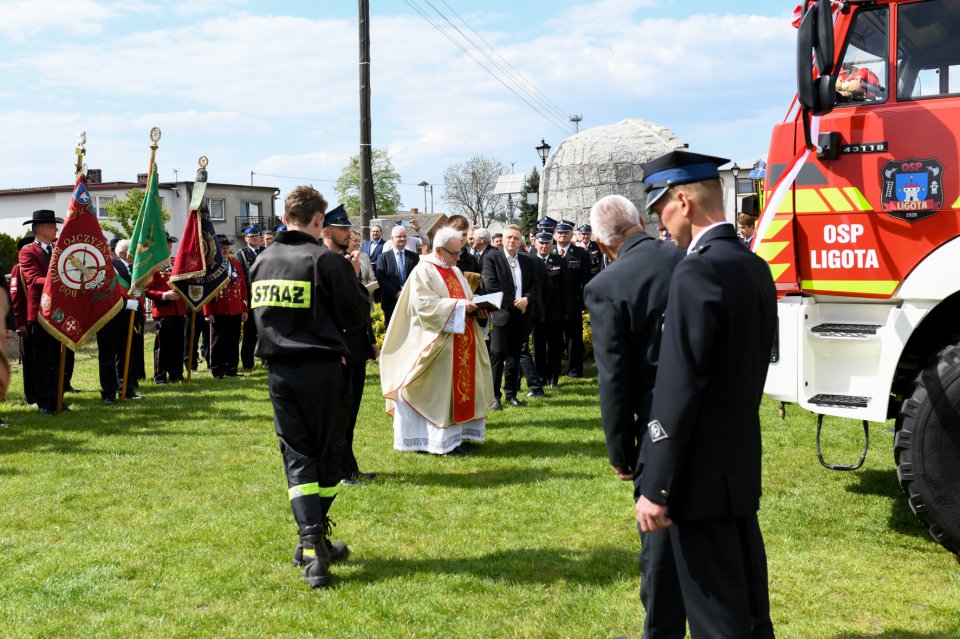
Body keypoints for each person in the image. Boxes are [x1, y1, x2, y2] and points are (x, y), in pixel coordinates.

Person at [636, 150, 777, 638]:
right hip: (737, 466)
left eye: (661, 210)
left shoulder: (696, 271)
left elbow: (679, 386)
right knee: (751, 613)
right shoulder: (753, 265)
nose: (661, 223)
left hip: (698, 479)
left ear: (682, 201)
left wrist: (656, 485)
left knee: (718, 620)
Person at [250, 185, 370, 589]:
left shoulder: (261, 261)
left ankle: (312, 540)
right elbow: (355, 316)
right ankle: (313, 543)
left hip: (279, 374)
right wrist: (353, 279)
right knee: (330, 455)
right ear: (319, 221)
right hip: (321, 370)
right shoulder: (325, 260)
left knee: (297, 455)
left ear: (286, 218)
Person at [583, 194, 686, 639]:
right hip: (706, 420)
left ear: (604, 246)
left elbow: (615, 380)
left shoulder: (608, 284)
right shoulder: (687, 258)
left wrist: (621, 452)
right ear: (641, 222)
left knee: (660, 545)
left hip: (655, 428)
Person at [381, 226, 493, 454]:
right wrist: (463, 307)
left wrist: (478, 308)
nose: (459, 257)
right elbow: (423, 306)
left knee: (456, 392)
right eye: (455, 253)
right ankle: (432, 440)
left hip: (459, 341)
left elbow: (466, 299)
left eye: (460, 252)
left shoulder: (456, 271)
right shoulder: (423, 271)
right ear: (439, 250)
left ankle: (456, 437)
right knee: (436, 394)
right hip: (434, 342)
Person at [322, 206, 378, 486]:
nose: (348, 233)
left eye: (348, 228)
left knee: (352, 410)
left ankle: (349, 465)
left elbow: (361, 308)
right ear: (326, 231)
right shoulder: (324, 262)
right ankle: (340, 471)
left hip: (355, 346)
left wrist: (370, 341)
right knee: (339, 413)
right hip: (337, 350)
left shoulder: (346, 261)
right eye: (342, 229)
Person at [482, 224, 540, 409]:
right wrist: (515, 303)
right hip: (502, 314)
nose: (512, 240)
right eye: (509, 237)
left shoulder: (527, 260)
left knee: (515, 355)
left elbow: (535, 284)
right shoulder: (492, 258)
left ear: (520, 240)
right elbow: (491, 286)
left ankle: (511, 394)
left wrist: (527, 299)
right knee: (497, 353)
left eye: (515, 238)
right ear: (502, 239)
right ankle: (494, 397)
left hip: (522, 315)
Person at [18, 210, 64, 414]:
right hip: (40, 313)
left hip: (59, 312)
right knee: (42, 360)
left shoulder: (57, 250)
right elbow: (33, 280)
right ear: (42, 228)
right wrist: (60, 280)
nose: (56, 228)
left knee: (56, 358)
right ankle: (44, 402)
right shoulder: (28, 251)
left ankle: (56, 399)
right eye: (53, 225)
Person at [203, 235, 248, 379]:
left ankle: (232, 369)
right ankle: (217, 370)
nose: (225, 250)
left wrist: (245, 309)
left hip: (235, 309)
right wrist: (207, 312)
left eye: (227, 248)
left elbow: (243, 288)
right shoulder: (211, 267)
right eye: (222, 248)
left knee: (233, 341)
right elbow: (206, 291)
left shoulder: (236, 265)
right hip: (218, 310)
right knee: (218, 342)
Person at [145, 234, 186, 385]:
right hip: (163, 310)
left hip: (179, 309)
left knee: (178, 343)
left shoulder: (177, 262)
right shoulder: (152, 265)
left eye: (170, 245)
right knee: (163, 345)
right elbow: (147, 290)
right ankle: (160, 375)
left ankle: (176, 373)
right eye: (166, 245)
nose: (169, 247)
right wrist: (164, 295)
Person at [532, 231, 570, 390]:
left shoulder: (560, 261)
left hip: (555, 312)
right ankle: (541, 377)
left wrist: (567, 311)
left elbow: (567, 288)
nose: (544, 246)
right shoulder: (530, 262)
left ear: (551, 244)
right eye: (541, 243)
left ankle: (554, 378)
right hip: (536, 312)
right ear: (535, 244)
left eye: (547, 243)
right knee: (538, 346)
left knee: (555, 347)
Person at [553, 220, 591, 379]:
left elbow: (586, 281)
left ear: (571, 235)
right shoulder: (549, 251)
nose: (562, 235)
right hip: (553, 304)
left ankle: (574, 370)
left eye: (566, 233)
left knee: (574, 338)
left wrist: (585, 302)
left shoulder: (581, 254)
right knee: (554, 338)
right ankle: (554, 369)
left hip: (573, 303)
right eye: (559, 233)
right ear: (555, 235)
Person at [115, 240, 147, 387]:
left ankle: (132, 381)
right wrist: (125, 303)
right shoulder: (115, 267)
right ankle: (123, 383)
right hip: (122, 315)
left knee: (134, 349)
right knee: (123, 352)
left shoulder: (135, 268)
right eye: (132, 251)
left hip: (135, 314)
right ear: (122, 254)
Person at [375, 224, 420, 327]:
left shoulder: (415, 257)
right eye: (399, 236)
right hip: (391, 302)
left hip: (411, 301)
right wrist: (397, 293)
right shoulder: (383, 257)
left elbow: (418, 277)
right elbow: (381, 278)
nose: (402, 239)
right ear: (392, 239)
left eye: (404, 236)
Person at [236, 226, 262, 370]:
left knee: (265, 330)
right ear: (246, 239)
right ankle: (247, 362)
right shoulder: (242, 254)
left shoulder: (264, 252)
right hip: (252, 298)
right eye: (251, 236)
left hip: (266, 297)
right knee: (250, 332)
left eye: (257, 236)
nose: (255, 238)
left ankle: (266, 360)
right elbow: (242, 277)